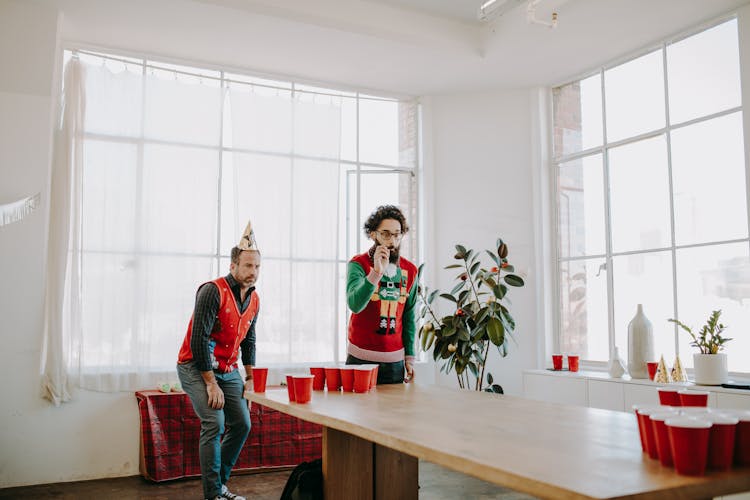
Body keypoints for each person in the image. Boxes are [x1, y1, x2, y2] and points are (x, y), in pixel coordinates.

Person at [177, 221, 261, 500]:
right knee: (214, 422)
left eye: (257, 267)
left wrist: (250, 378)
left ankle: (220, 486)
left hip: (228, 369)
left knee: (242, 424)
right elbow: (197, 340)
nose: (253, 272)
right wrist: (210, 384)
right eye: (248, 266)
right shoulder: (212, 291)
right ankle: (213, 494)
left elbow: (249, 340)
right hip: (195, 366)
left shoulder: (255, 299)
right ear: (233, 265)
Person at [346, 205, 418, 384]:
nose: (392, 241)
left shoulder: (410, 270)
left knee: (393, 412)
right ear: (373, 234)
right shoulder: (358, 264)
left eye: (397, 234)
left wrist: (409, 357)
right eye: (385, 234)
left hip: (395, 363)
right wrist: (376, 272)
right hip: (359, 361)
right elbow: (355, 304)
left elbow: (409, 316)